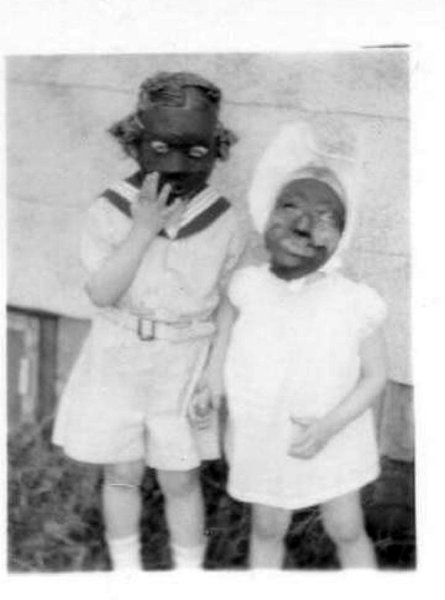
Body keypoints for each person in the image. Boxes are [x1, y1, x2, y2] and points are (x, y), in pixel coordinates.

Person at [52, 71, 245, 570]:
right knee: (121, 471)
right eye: (161, 147)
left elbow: (228, 300)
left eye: (197, 153)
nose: (178, 166)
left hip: (183, 363)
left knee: (180, 478)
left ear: (216, 147)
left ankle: (187, 575)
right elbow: (101, 291)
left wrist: (215, 371)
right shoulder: (111, 209)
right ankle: (127, 571)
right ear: (135, 141)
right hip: (118, 357)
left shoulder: (223, 218)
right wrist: (142, 230)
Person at [217, 121, 388, 568]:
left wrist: (331, 425)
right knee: (267, 528)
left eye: (325, 216)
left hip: (332, 435)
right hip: (265, 433)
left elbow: (375, 377)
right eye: (290, 206)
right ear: (268, 211)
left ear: (343, 232)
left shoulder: (355, 301)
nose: (304, 225)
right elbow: (223, 335)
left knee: (346, 528)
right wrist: (210, 385)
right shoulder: (248, 285)